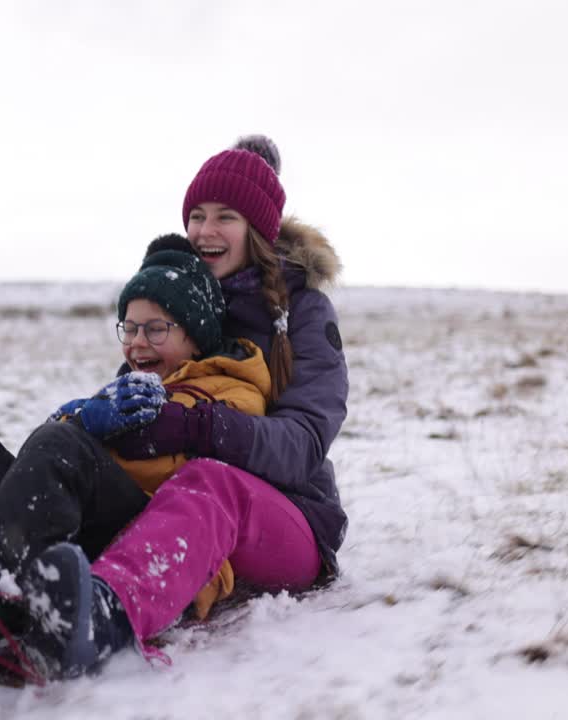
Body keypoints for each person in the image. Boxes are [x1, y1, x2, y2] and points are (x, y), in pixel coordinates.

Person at [18, 135, 348, 681]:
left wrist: (195, 427)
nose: (204, 231)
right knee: (58, 457)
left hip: (289, 523)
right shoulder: (187, 303)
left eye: (226, 216)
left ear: (258, 229)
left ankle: (102, 617)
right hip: (180, 505)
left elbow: (304, 445)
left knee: (208, 479)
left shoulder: (305, 312)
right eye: (196, 215)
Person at [0, 238, 272, 694]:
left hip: (142, 543)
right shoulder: (129, 388)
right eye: (129, 328)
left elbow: (212, 505)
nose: (137, 343)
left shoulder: (232, 397)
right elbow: (39, 462)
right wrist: (84, 417)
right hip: (86, 519)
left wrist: (95, 430)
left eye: (156, 329)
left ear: (196, 336)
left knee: (62, 444)